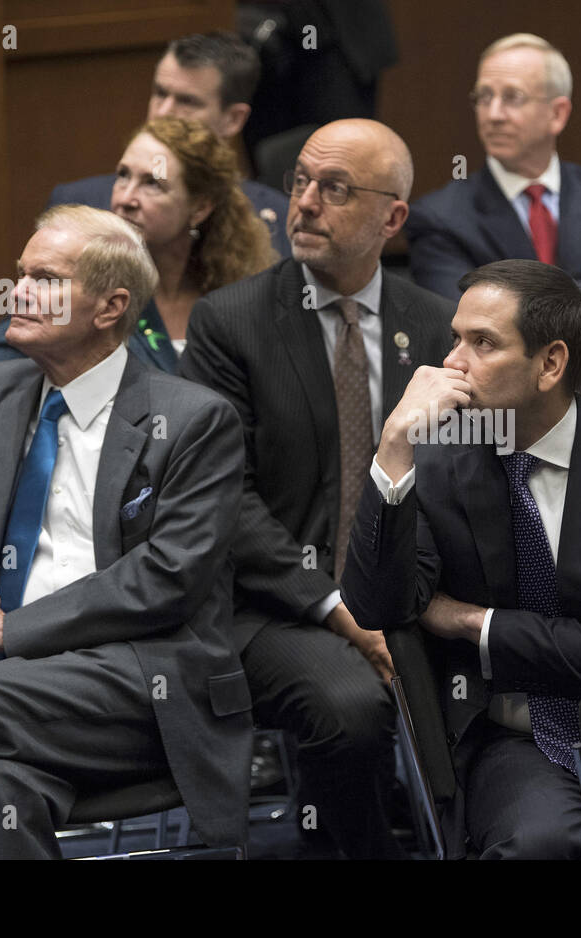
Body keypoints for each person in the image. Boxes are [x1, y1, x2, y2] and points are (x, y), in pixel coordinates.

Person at [0, 206, 251, 858]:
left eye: (46, 279)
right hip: (8, 687)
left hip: (138, 681)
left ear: (110, 306)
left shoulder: (195, 420)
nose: (18, 291)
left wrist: (9, 629)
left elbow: (168, 578)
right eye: (20, 273)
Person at [341, 259, 581, 858]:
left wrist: (475, 623)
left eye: (482, 343)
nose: (452, 362)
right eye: (455, 338)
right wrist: (393, 446)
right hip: (514, 735)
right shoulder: (438, 457)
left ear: (551, 364)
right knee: (545, 843)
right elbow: (380, 604)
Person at [178, 119, 454, 859]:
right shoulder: (231, 323)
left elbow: (459, 487)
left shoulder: (433, 326)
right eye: (301, 181)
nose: (304, 203)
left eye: (335, 190)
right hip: (270, 605)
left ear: (391, 217)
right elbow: (223, 502)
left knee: (506, 659)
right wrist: (337, 610)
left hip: (404, 590)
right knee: (350, 705)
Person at [0, 117, 277, 415]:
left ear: (200, 207)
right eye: (123, 176)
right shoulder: (84, 288)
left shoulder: (239, 299)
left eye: (152, 184)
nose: (125, 198)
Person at [405, 33, 581, 355]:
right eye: (484, 97)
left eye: (512, 97)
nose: (493, 114)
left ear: (558, 114)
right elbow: (465, 322)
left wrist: (521, 306)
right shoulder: (441, 217)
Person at [51, 31, 290, 256]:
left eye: (187, 101)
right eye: (160, 93)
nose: (164, 112)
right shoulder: (77, 204)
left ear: (233, 119)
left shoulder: (276, 219)